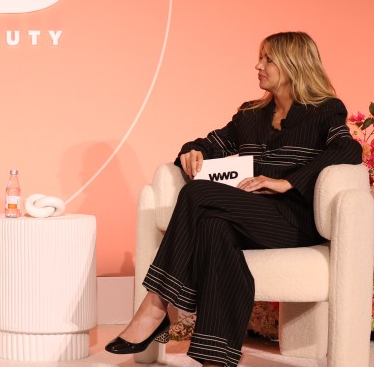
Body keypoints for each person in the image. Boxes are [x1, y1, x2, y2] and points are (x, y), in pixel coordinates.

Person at [105, 31, 362, 367]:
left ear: (293, 64)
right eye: (260, 58)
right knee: (212, 227)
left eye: (268, 59)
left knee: (196, 192)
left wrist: (287, 182)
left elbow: (347, 149)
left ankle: (156, 306)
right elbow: (209, 144)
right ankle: (216, 359)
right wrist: (192, 152)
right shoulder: (250, 115)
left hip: (292, 220)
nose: (258, 66)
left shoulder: (325, 110)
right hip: (249, 215)